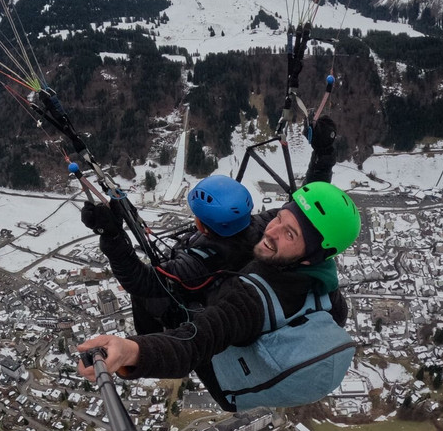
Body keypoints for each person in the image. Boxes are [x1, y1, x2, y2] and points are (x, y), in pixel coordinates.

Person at [76, 181, 360, 401]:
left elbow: (194, 342)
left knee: (160, 300)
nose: (271, 232)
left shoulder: (249, 301)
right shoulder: (330, 292)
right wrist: (324, 154)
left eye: (290, 234)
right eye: (280, 218)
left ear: (310, 256)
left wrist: (130, 351)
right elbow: (318, 221)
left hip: (230, 382)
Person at [80, 115, 339, 334]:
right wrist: (324, 154)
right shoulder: (265, 228)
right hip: (234, 285)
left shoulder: (198, 263)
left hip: (201, 314)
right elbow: (307, 209)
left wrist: (112, 237)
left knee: (150, 300)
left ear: (203, 227)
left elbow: (141, 282)